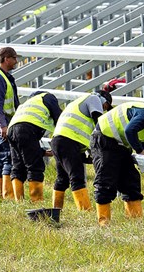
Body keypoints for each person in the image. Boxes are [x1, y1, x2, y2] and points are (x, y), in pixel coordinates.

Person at [50, 78, 124, 212]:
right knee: (77, 177)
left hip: (59, 140)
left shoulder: (78, 102)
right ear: (104, 101)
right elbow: (99, 122)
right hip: (68, 141)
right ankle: (85, 210)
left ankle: (55, 210)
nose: (105, 110)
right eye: (106, 106)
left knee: (62, 178)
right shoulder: (94, 99)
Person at [6, 89, 62, 202]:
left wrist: (41, 152)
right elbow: (59, 119)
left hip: (11, 130)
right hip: (26, 128)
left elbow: (26, 148)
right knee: (35, 167)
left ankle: (19, 201)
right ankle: (36, 200)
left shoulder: (27, 104)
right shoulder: (48, 97)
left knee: (18, 166)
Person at [0, 46, 20, 200]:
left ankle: (0, 195)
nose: (16, 61)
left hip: (7, 119)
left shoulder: (4, 76)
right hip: (2, 120)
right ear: (6, 59)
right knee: (7, 156)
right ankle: (7, 196)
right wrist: (3, 126)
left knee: (2, 157)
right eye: (14, 58)